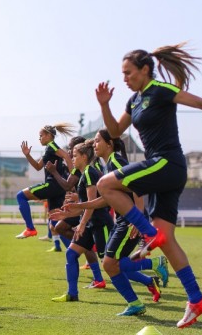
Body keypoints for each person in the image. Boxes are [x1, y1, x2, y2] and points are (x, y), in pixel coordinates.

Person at [94, 43, 202, 327]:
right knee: (167, 239)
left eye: (129, 73)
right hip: (162, 171)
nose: (124, 78)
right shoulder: (133, 101)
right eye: (122, 74)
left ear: (145, 69)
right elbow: (114, 132)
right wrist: (104, 105)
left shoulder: (161, 90)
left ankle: (148, 235)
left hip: (168, 163)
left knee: (106, 184)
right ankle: (196, 299)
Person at [64, 129, 169, 315]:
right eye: (94, 142)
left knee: (110, 264)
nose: (95, 145)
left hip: (128, 222)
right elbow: (106, 199)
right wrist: (81, 206)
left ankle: (151, 271)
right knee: (112, 264)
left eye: (98, 141)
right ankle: (139, 296)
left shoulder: (117, 162)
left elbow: (136, 190)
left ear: (109, 144)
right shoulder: (108, 166)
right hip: (122, 221)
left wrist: (137, 219)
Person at [50, 140, 113, 302]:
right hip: (91, 224)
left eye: (75, 155)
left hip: (100, 223)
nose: (71, 158)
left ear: (84, 157)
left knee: (113, 263)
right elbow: (85, 205)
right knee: (71, 254)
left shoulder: (90, 173)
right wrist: (63, 216)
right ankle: (72, 294)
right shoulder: (84, 173)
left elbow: (91, 204)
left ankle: (150, 271)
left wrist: (82, 223)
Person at [15, 123, 75, 239]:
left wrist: (72, 178)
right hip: (58, 188)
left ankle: (30, 229)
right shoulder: (49, 149)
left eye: (41, 136)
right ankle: (75, 248)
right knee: (55, 222)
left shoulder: (52, 146)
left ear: (48, 135)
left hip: (52, 185)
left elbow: (67, 156)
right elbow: (38, 166)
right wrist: (28, 155)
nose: (39, 139)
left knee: (20, 196)